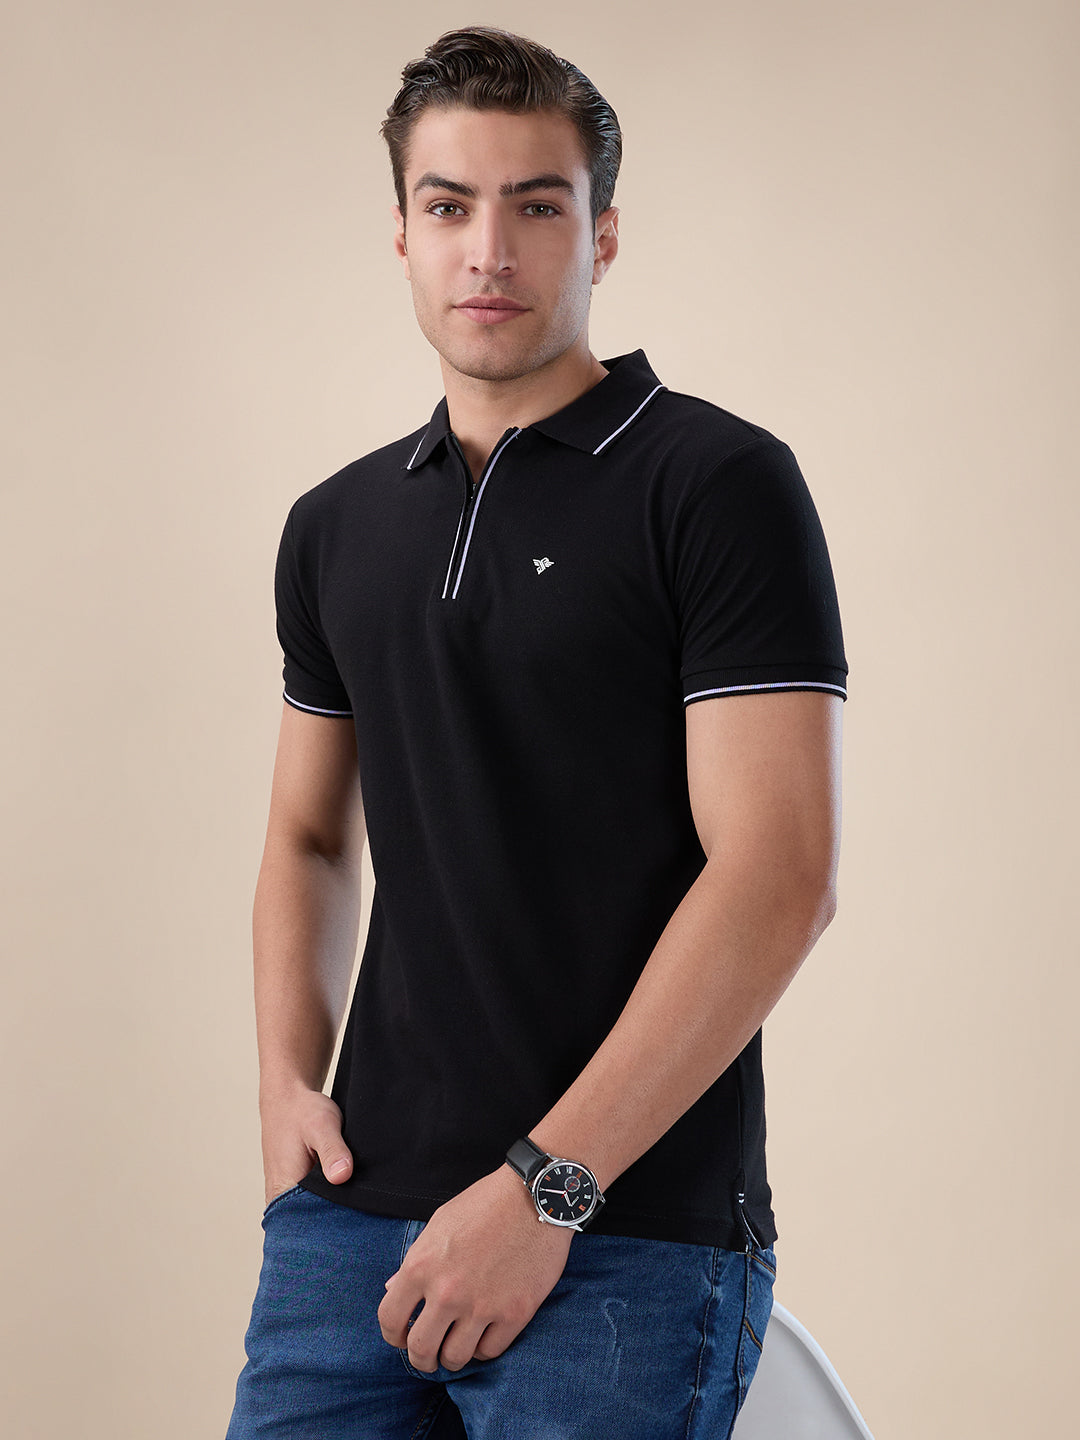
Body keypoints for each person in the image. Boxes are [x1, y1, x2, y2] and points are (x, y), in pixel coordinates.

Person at [226, 25, 847, 1440]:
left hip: (624, 1231)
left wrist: (545, 1191)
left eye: (537, 205)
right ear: (402, 234)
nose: (489, 251)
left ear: (603, 233)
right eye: (449, 206)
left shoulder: (715, 483)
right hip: (347, 1228)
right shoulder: (336, 525)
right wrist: (284, 1088)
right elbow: (310, 834)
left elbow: (779, 875)